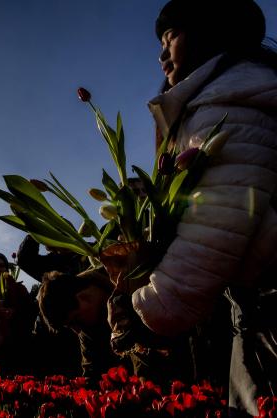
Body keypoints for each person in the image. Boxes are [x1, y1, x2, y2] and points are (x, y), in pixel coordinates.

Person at [122, 1, 277, 415]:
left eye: (169, 36)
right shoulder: (228, 95)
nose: (160, 53)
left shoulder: (231, 106)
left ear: (207, 33)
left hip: (270, 315)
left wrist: (143, 307)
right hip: (252, 309)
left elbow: (216, 230)